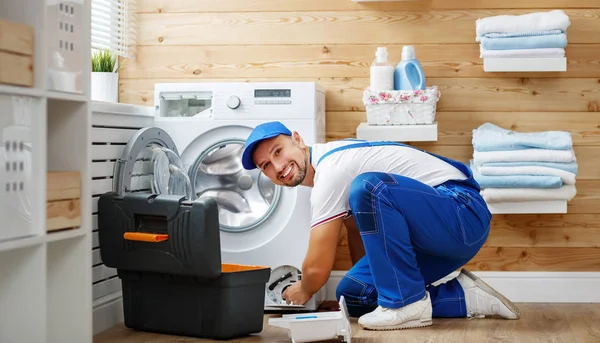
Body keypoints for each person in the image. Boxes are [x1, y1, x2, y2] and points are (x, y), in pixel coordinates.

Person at [240, 121, 520, 331]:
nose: (277, 167)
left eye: (278, 152)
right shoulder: (334, 175)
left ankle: (405, 302)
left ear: (298, 141)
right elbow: (359, 235)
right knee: (352, 293)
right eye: (266, 166)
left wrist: (304, 289)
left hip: (462, 213)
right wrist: (350, 298)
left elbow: (316, 269)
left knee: (369, 187)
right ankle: (464, 297)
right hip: (435, 238)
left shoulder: (331, 169)